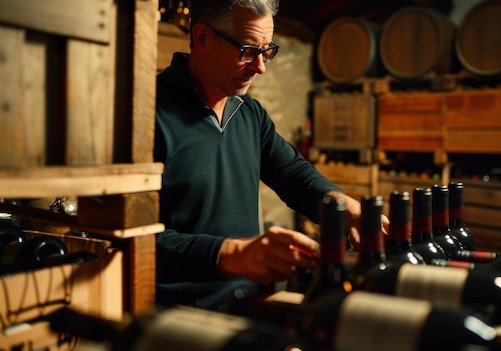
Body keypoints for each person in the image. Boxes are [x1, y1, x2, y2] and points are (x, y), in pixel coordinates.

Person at [154, 0, 386, 312]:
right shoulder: (148, 115)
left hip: (249, 303)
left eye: (267, 51)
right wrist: (231, 254)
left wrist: (346, 210)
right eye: (248, 51)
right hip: (178, 313)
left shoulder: (249, 112)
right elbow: (129, 240)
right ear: (202, 38)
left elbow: (293, 174)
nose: (260, 67)